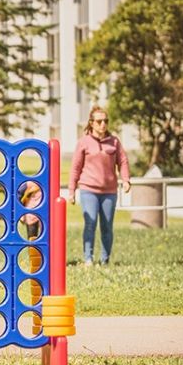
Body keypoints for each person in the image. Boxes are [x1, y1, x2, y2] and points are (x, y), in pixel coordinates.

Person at [68, 106, 131, 266]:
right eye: (99, 121)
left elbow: (123, 161)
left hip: (109, 191)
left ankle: (105, 260)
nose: (103, 124)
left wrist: (126, 180)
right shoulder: (83, 142)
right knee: (90, 224)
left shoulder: (114, 142)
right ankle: (88, 259)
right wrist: (72, 191)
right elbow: (75, 167)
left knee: (107, 226)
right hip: (89, 190)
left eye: (106, 121)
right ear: (91, 123)